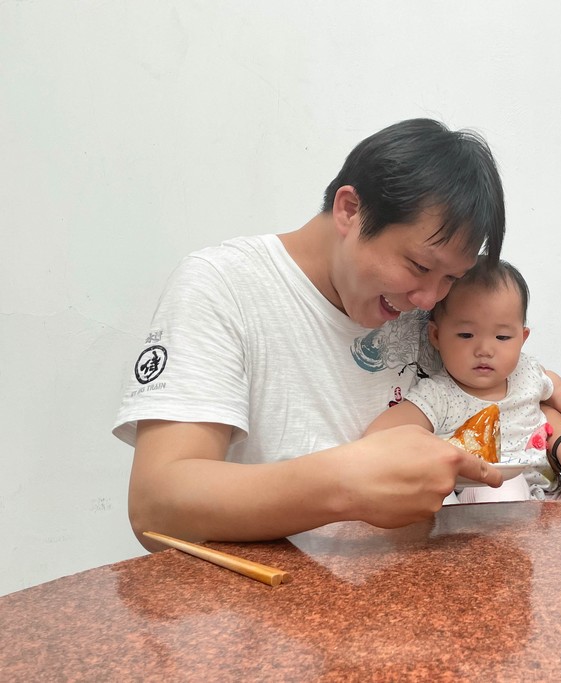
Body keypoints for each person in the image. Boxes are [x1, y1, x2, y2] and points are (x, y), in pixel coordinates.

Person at [114, 118, 510, 551]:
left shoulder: (432, 315)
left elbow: (506, 382)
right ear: (350, 210)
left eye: (451, 277)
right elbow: (155, 505)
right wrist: (346, 483)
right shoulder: (222, 286)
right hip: (260, 604)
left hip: (403, 592)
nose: (428, 297)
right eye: (418, 266)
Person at [364, 257, 561, 502]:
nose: (485, 349)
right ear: (436, 336)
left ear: (522, 339)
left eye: (502, 337)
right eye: (466, 335)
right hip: (483, 499)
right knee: (504, 488)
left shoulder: (526, 374)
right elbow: (381, 433)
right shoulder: (439, 394)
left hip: (549, 500)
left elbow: (555, 387)